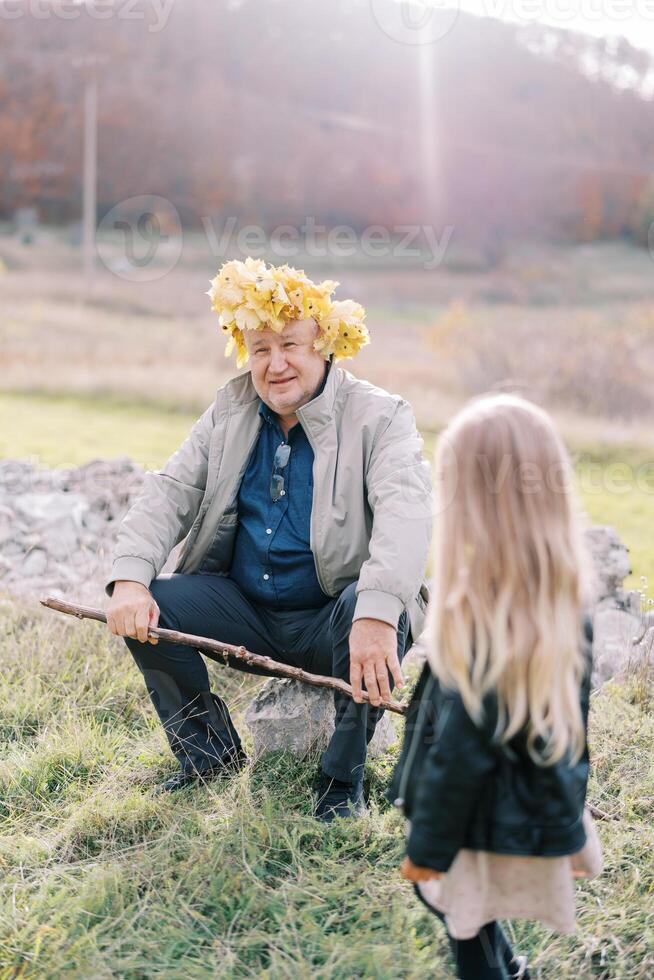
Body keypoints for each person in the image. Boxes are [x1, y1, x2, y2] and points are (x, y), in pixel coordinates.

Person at [104, 256, 433, 819]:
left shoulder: (380, 417)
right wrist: (130, 577)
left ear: (325, 346)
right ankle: (207, 758)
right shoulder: (230, 409)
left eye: (290, 346)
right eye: (260, 349)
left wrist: (377, 615)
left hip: (334, 617)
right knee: (147, 603)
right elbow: (170, 491)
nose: (275, 364)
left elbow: (407, 517)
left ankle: (341, 778)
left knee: (378, 606)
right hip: (245, 613)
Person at [387, 393, 603, 979]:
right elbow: (573, 727)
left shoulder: (480, 618)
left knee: (460, 919)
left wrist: (427, 849)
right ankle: (511, 969)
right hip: (525, 801)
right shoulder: (563, 602)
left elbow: (459, 758)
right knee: (473, 918)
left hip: (470, 822)